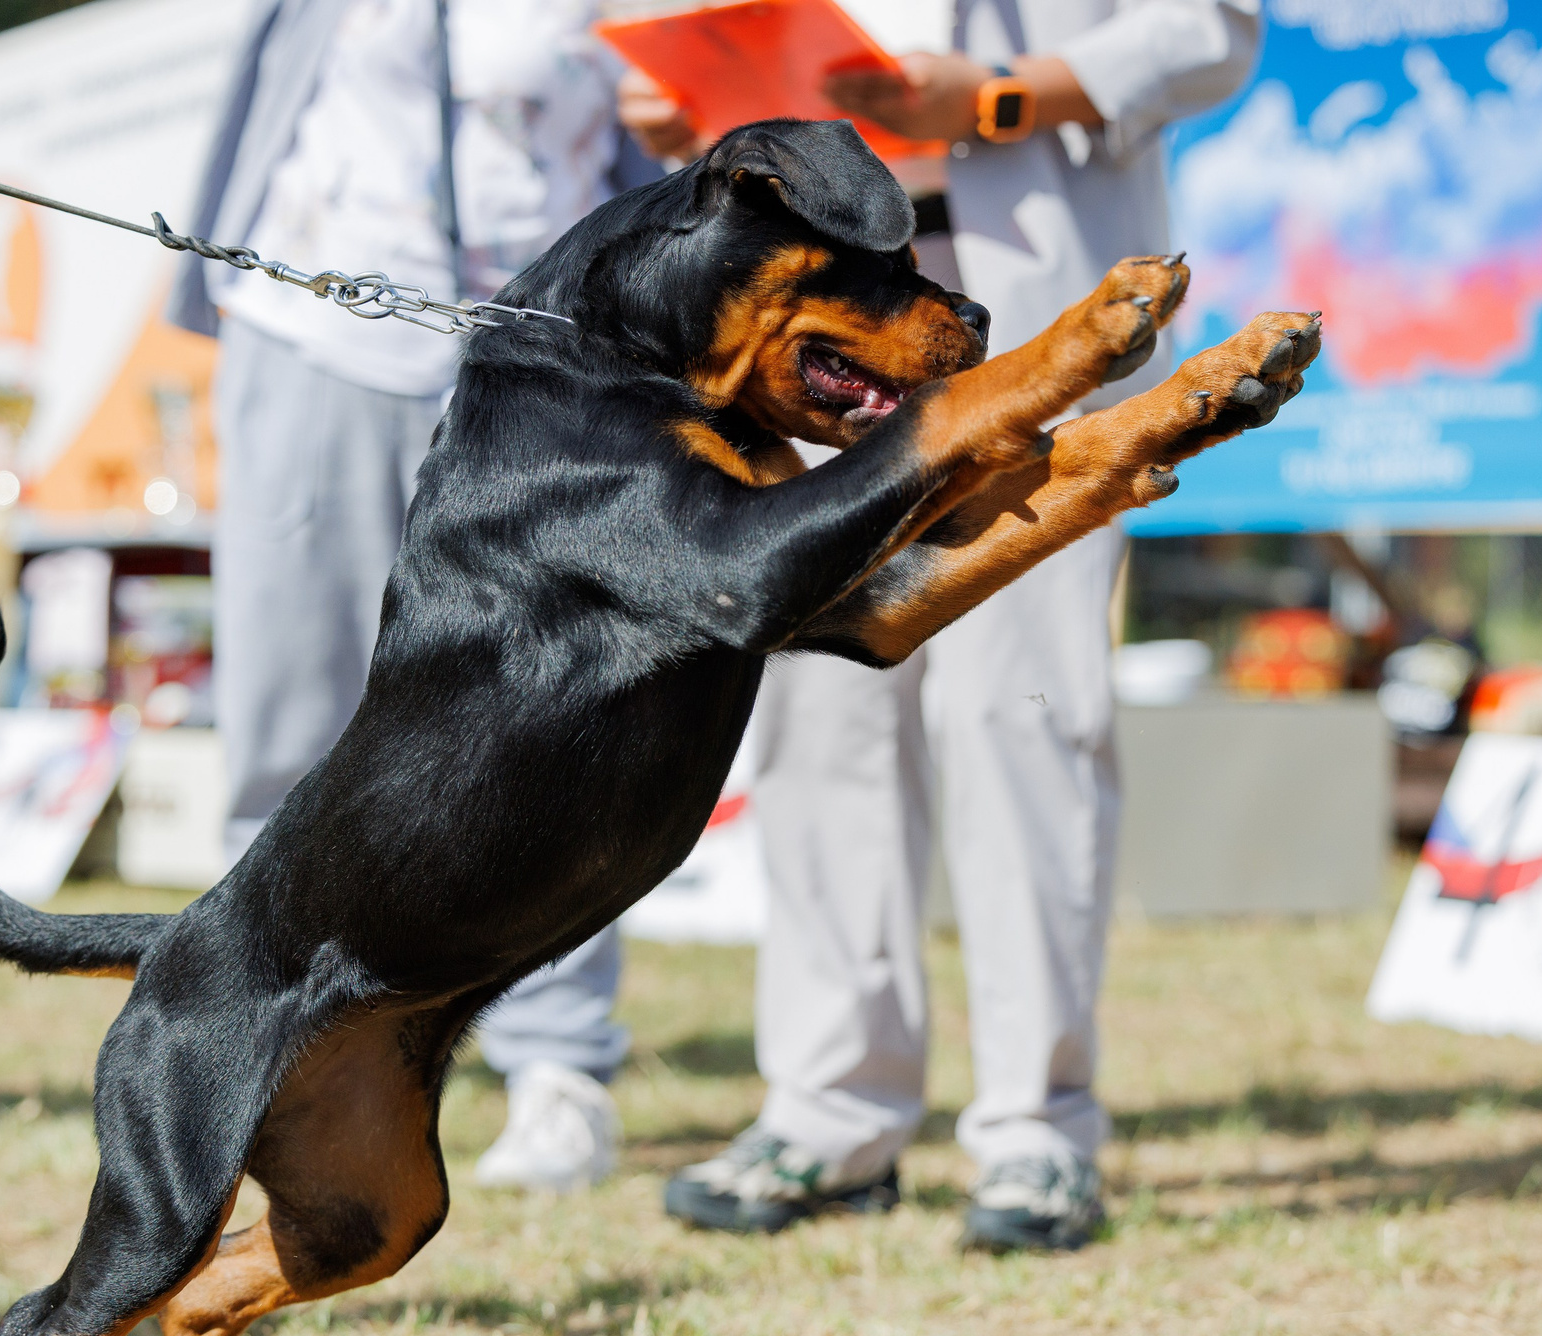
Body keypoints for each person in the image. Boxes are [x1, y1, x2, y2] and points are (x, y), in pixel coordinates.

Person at [628, 0, 1260, 1248]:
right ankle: (829, 1115)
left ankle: (1036, 1133)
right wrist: (675, 105)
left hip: (1020, 301)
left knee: (1017, 715)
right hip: (804, 323)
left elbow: (1209, 30)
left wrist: (1001, 96)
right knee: (818, 722)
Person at [170, 0, 653, 1194]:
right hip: (322, 327)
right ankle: (267, 1038)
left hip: (554, 350)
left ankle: (555, 1068)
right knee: (293, 708)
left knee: (558, 730)